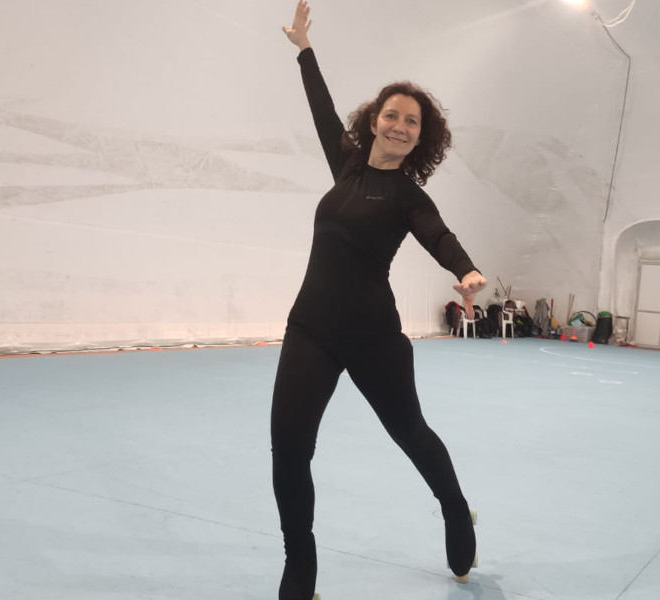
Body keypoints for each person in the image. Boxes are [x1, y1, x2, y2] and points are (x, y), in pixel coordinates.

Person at [272, 1, 486, 598]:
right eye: (392, 115)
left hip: (373, 338)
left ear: (421, 136)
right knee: (289, 449)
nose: (399, 125)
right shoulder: (344, 164)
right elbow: (320, 107)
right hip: (310, 329)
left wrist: (466, 270)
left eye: (412, 122)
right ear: (373, 120)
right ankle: (300, 566)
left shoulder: (407, 195)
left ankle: (454, 508)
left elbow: (438, 235)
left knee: (410, 432)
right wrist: (305, 50)